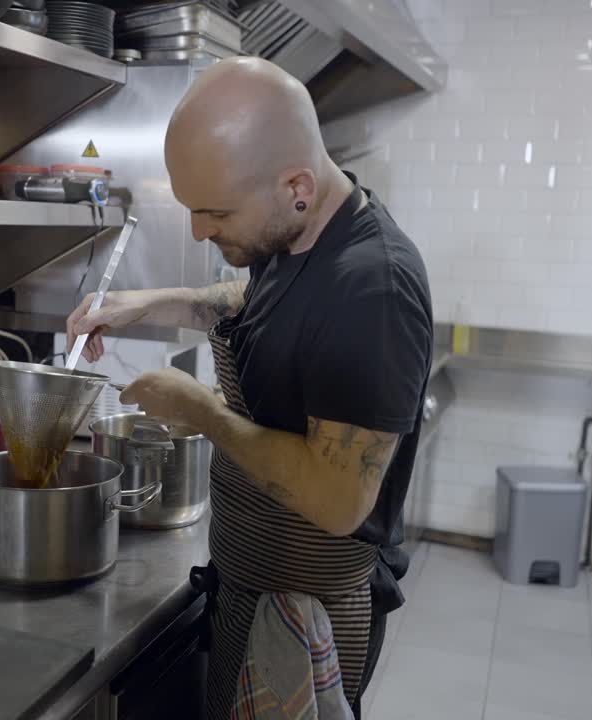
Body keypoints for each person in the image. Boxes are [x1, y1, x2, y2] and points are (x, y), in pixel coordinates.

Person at [65, 57, 433, 718]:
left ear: (296, 185)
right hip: (254, 588)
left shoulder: (372, 289)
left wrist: (202, 411)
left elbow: (338, 499)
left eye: (214, 212)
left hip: (307, 617)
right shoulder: (296, 236)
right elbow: (253, 299)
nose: (200, 231)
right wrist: (151, 302)